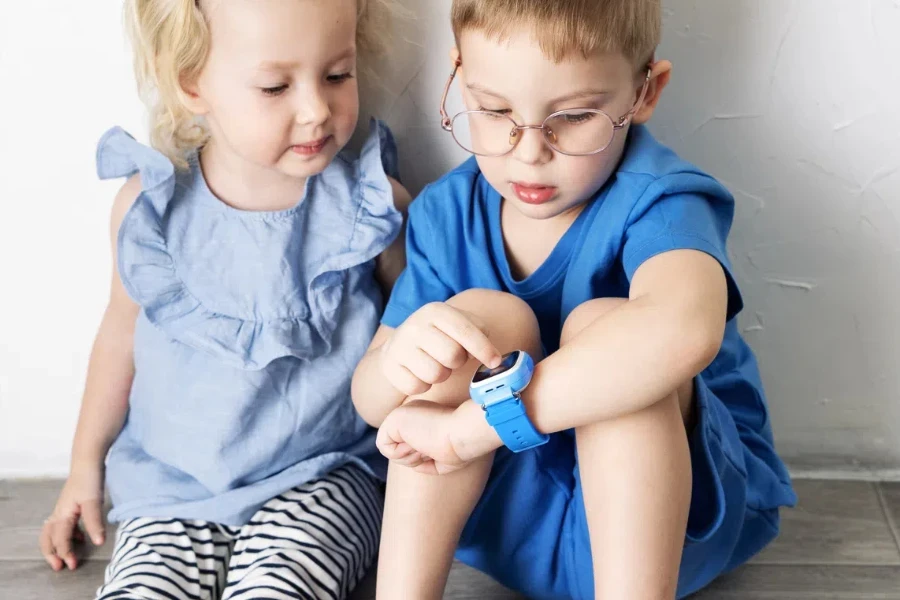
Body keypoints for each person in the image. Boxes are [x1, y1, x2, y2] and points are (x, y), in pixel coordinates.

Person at [351, 0, 797, 598]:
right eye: (493, 110)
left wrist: (470, 430)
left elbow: (684, 330)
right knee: (475, 324)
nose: (529, 150)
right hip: (514, 522)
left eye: (576, 115)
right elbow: (371, 399)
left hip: (667, 530)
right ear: (458, 75)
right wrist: (400, 362)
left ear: (644, 92)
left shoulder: (662, 200)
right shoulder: (446, 213)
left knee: (609, 328)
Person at [39, 1, 410, 598]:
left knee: (277, 588)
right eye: (274, 86)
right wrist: (84, 468)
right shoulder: (151, 210)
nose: (317, 108)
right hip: (172, 484)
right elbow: (118, 338)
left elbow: (412, 328)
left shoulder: (370, 208)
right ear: (191, 83)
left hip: (321, 476)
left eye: (338, 75)